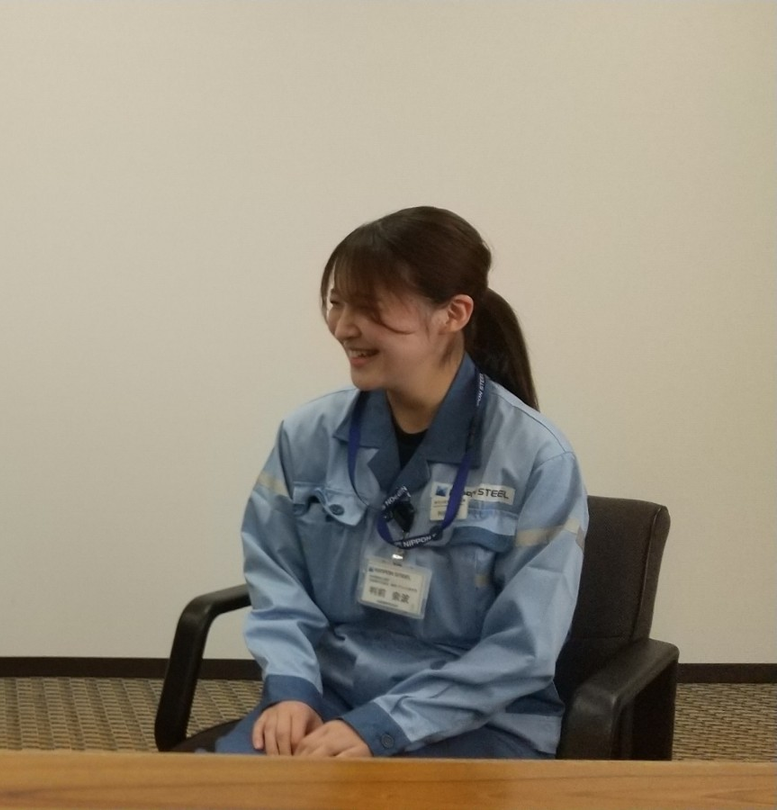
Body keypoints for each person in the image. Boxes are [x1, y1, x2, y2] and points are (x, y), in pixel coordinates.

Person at [216, 206, 586, 758]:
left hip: (477, 721)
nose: (344, 327)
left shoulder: (537, 458)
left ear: (453, 313)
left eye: (368, 308)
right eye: (337, 303)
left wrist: (382, 727)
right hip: (328, 701)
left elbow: (522, 648)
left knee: (366, 798)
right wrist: (291, 689)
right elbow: (278, 583)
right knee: (220, 791)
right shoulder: (307, 435)